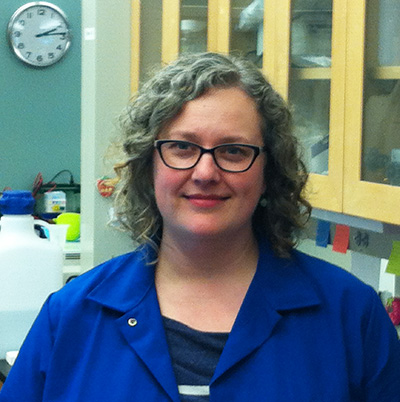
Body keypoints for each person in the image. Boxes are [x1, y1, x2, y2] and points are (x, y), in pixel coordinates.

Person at [1, 52, 399, 402]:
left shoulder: (350, 316)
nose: (205, 172)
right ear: (148, 166)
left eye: (233, 151)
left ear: (269, 171)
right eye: (182, 147)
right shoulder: (71, 317)